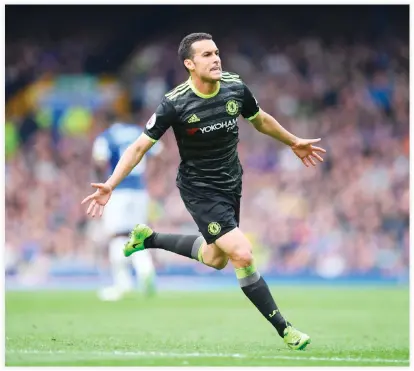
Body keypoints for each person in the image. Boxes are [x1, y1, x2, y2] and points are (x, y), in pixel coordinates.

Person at [82, 33, 326, 349]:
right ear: (189, 64)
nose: (215, 59)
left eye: (216, 53)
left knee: (215, 259)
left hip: (231, 184)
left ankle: (149, 239)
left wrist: (293, 140)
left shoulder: (235, 88)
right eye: (207, 55)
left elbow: (260, 120)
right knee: (242, 253)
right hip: (198, 189)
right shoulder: (175, 102)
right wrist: (110, 184)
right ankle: (286, 329)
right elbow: (140, 146)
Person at [91, 119, 162, 301]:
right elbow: (159, 153)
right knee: (136, 235)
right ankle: (145, 270)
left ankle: (122, 284)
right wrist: (149, 176)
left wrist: (103, 182)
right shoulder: (140, 131)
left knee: (117, 236)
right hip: (139, 190)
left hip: (117, 190)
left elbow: (99, 161)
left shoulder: (107, 136)